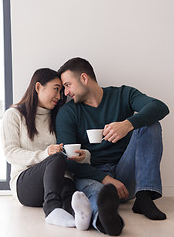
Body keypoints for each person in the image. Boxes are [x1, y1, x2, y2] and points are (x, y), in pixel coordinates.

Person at [55, 57, 170, 236]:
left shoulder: (123, 94)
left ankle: (145, 196)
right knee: (95, 192)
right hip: (92, 175)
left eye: (68, 85)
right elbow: (68, 161)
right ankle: (104, 219)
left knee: (151, 124)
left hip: (126, 175)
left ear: (84, 78)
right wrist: (104, 178)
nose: (66, 92)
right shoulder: (67, 113)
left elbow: (160, 107)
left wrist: (127, 124)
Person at [1, 68, 93, 230]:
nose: (60, 96)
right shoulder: (14, 115)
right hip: (26, 186)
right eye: (56, 89)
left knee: (69, 189)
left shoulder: (59, 117)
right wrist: (45, 154)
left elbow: (71, 147)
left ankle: (80, 217)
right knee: (55, 159)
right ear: (38, 87)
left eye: (62, 91)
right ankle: (51, 210)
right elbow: (10, 153)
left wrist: (84, 156)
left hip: (58, 182)